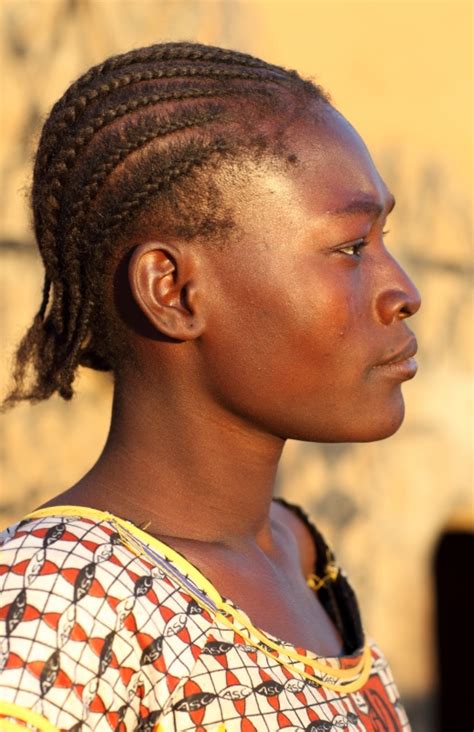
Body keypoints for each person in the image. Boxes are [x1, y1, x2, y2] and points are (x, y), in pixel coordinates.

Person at [0, 41, 420, 731]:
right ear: (173, 290)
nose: (402, 291)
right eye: (350, 248)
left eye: (385, 239)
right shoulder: (63, 603)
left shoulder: (298, 551)